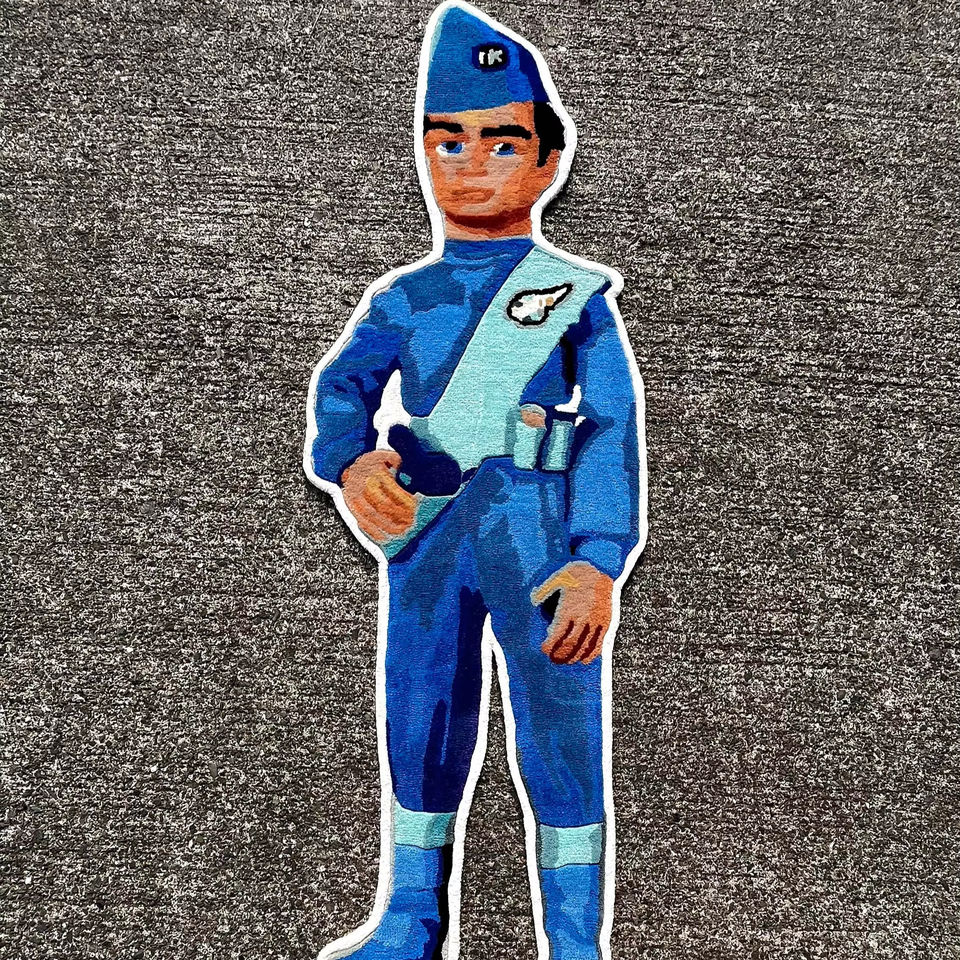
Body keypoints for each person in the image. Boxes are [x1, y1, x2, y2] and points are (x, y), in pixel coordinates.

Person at [303, 3, 647, 958]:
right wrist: (350, 461)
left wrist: (598, 559)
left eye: (502, 142)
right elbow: (342, 389)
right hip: (428, 531)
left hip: (538, 536)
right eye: (447, 141)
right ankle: (410, 919)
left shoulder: (574, 298)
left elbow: (611, 428)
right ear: (422, 153)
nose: (471, 163)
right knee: (420, 714)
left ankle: (574, 942)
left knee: (560, 728)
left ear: (547, 163)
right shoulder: (403, 297)